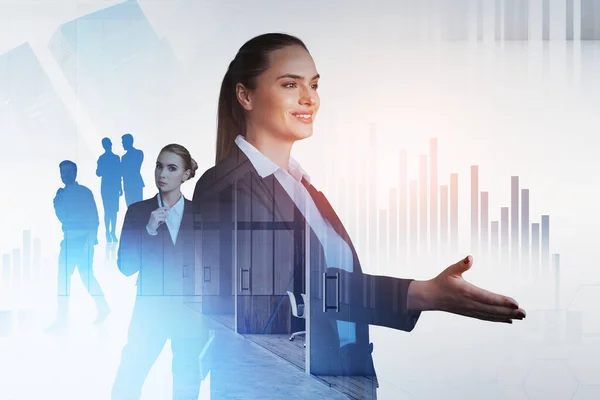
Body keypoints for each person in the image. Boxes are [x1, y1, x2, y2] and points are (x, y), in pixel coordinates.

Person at [192, 33, 527, 398]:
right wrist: (421, 294)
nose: (310, 99)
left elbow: (329, 284)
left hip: (341, 379)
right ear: (245, 96)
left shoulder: (305, 188)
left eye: (314, 85)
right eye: (291, 84)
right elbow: (276, 304)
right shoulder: (226, 188)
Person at [111, 144, 208, 400]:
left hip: (188, 312)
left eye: (172, 168)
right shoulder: (138, 212)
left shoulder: (200, 214)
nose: (162, 173)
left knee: (187, 381)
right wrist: (149, 231)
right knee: (129, 378)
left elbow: (208, 266)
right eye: (159, 165)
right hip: (150, 310)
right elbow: (125, 267)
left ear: (186, 175)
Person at [48, 160, 110, 331]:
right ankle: (62, 320)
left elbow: (94, 217)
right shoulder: (61, 195)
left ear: (75, 173)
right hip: (68, 242)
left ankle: (103, 307)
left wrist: (90, 241)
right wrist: (57, 203)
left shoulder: (84, 193)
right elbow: (62, 218)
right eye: (62, 172)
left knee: (86, 277)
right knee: (64, 281)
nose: (65, 175)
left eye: (68, 171)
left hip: (82, 242)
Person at [96, 137, 123, 243]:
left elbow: (119, 173)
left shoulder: (113, 158)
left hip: (111, 186)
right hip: (108, 187)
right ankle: (108, 232)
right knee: (109, 210)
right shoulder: (104, 158)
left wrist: (120, 188)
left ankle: (111, 232)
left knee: (113, 211)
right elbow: (98, 173)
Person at [121, 133, 144, 207]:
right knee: (130, 207)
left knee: (138, 206)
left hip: (135, 183)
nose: (122, 144)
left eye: (123, 142)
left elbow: (134, 167)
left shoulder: (138, 153)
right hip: (127, 184)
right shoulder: (124, 157)